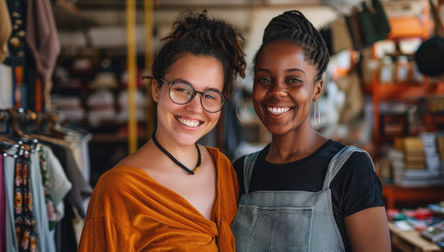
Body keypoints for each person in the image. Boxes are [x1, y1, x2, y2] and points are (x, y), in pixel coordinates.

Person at [78, 11, 246, 251]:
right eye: (181, 89)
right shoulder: (117, 190)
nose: (195, 108)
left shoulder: (224, 169)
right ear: (156, 89)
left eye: (210, 96)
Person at [231, 10, 390, 252]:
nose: (276, 91)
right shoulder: (241, 173)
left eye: (293, 80)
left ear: (317, 89)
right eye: (264, 79)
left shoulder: (349, 170)